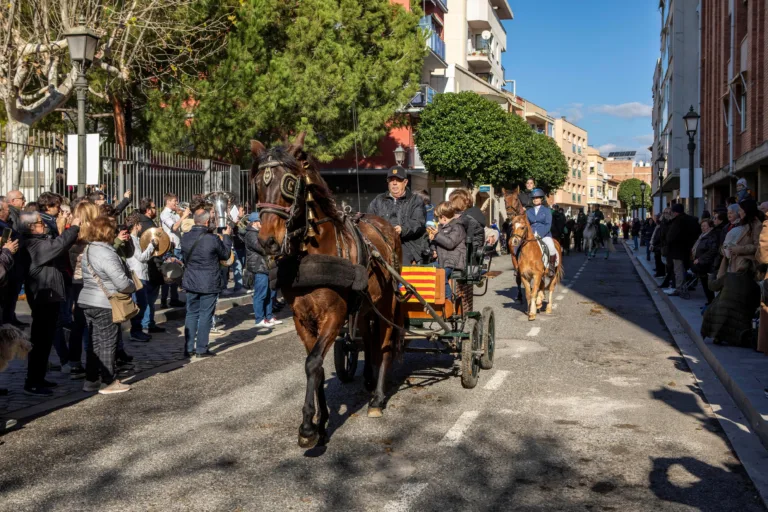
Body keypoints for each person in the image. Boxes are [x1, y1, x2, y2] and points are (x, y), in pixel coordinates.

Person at [20, 211, 80, 396]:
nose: (43, 225)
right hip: (43, 297)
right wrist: (74, 227)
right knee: (40, 341)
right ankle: (33, 381)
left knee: (44, 342)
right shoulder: (33, 244)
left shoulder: (39, 241)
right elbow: (59, 244)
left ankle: (38, 377)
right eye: (40, 223)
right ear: (31, 227)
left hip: (50, 296)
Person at [79, 216, 135, 394]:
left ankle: (91, 379)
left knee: (94, 343)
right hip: (105, 301)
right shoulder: (106, 252)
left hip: (88, 299)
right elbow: (121, 282)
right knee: (107, 342)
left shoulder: (89, 248)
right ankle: (108, 381)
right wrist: (132, 285)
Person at [181, 209, 232, 358]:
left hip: (191, 280)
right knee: (205, 315)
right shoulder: (212, 238)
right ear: (206, 222)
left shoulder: (185, 237)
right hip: (208, 281)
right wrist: (227, 237)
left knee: (191, 314)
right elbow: (226, 255)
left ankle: (188, 348)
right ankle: (201, 349)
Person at [67, 201, 101, 379]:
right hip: (90, 280)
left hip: (76, 279)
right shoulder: (93, 233)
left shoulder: (72, 230)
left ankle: (74, 362)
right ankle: (92, 363)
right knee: (91, 323)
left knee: (78, 322)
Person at [367, 166, 428, 264]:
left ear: (405, 182)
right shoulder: (378, 200)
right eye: (391, 180)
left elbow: (418, 222)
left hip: (407, 243)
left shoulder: (415, 200)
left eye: (398, 180)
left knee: (400, 264)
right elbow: (369, 219)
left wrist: (403, 229)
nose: (394, 183)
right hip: (381, 241)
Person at [135, 197, 166, 334]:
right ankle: (147, 324)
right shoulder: (147, 225)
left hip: (149, 265)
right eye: (153, 207)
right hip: (151, 264)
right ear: (148, 210)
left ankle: (149, 323)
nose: (155, 209)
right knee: (149, 298)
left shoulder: (143, 222)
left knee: (149, 297)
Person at [125, 213, 158, 342]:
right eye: (139, 224)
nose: (141, 226)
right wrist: (152, 246)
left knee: (142, 303)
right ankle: (135, 331)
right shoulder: (132, 239)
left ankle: (137, 330)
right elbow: (141, 257)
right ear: (136, 226)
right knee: (140, 303)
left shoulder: (135, 238)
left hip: (141, 274)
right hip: (137, 275)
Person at [243, 212, 278, 329]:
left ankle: (269, 316)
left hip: (265, 267)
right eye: (260, 222)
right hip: (259, 267)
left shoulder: (258, 233)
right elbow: (261, 249)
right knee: (260, 295)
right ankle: (259, 319)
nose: (262, 224)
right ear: (254, 223)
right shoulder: (250, 234)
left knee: (269, 294)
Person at [428, 201, 466, 299]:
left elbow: (450, 244)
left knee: (440, 275)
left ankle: (448, 299)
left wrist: (437, 235)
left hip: (453, 260)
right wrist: (433, 248)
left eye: (438, 217)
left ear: (444, 217)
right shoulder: (440, 228)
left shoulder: (458, 227)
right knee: (425, 270)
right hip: (441, 260)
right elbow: (437, 243)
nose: (437, 220)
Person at [664, 203, 701, 297]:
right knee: (686, 269)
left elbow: (671, 236)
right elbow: (697, 232)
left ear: (675, 212)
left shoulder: (677, 221)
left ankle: (680, 288)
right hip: (690, 249)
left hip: (677, 250)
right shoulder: (691, 220)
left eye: (672, 211)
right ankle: (685, 286)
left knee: (678, 270)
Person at [159, 193, 189, 308]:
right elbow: (174, 227)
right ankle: (163, 300)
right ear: (168, 202)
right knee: (168, 274)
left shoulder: (175, 213)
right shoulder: (164, 214)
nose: (177, 203)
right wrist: (183, 216)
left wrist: (182, 215)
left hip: (178, 245)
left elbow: (182, 227)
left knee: (177, 274)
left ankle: (174, 298)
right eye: (175, 201)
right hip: (170, 247)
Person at [527, 189, 558, 276]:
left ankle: (551, 267)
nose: (535, 199)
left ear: (541, 199)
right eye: (534, 198)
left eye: (537, 198)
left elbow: (548, 224)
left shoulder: (547, 210)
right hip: (531, 234)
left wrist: (540, 234)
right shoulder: (528, 211)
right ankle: (518, 267)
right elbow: (527, 224)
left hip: (544, 234)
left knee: (551, 247)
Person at [691, 219, 719, 306]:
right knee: (704, 284)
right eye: (702, 226)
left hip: (707, 264)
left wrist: (700, 259)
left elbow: (712, 251)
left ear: (710, 227)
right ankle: (709, 302)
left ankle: (711, 303)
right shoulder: (702, 236)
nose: (702, 228)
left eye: (705, 226)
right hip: (701, 264)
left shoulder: (711, 237)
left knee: (708, 285)